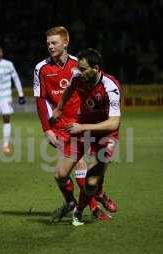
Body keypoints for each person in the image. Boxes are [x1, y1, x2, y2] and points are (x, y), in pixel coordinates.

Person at [34, 27, 115, 222]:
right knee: (78, 163)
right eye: (48, 43)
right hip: (62, 126)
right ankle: (93, 208)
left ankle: (91, 197)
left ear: (66, 42)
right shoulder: (41, 68)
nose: (50, 46)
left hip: (83, 122)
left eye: (54, 43)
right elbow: (40, 100)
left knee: (97, 162)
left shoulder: (78, 65)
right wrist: (47, 129)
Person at [52, 48, 121, 226]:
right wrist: (59, 108)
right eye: (78, 68)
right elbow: (68, 90)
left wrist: (81, 126)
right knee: (60, 174)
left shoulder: (111, 87)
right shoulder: (78, 78)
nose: (78, 72)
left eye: (83, 69)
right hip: (83, 128)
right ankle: (75, 200)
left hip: (106, 134)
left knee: (91, 183)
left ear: (96, 68)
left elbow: (114, 123)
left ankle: (80, 210)